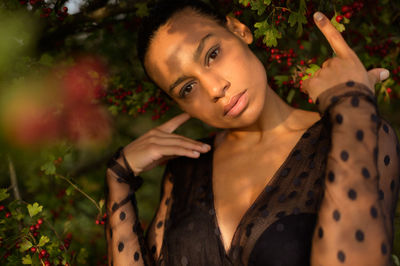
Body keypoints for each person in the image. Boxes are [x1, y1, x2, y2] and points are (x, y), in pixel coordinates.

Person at [104, 0, 400, 265]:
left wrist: (350, 106)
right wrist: (119, 177)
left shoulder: (355, 133)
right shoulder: (185, 171)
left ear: (239, 29)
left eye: (213, 54)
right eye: (188, 88)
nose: (215, 88)